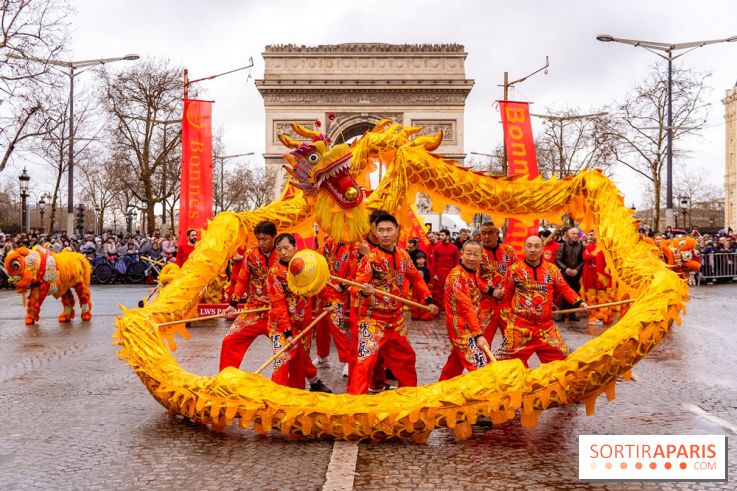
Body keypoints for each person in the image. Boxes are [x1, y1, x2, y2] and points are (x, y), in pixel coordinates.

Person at [347, 213, 439, 394]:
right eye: (381, 230)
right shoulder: (370, 259)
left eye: (389, 230)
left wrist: (428, 299)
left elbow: (416, 278)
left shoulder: (404, 255)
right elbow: (355, 287)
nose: (385, 234)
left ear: (397, 231)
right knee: (365, 361)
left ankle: (408, 397)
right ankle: (356, 403)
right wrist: (364, 290)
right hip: (372, 319)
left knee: (406, 358)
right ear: (375, 232)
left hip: (395, 320)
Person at [496, 236, 588, 367]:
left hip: (546, 328)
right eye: (529, 246)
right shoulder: (514, 270)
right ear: (524, 248)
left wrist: (579, 302)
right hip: (520, 327)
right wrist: (508, 321)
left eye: (536, 246)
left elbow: (564, 288)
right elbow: (507, 297)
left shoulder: (552, 269)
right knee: (506, 366)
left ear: (542, 249)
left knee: (562, 364)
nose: (532, 250)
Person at [267, 233, 332, 392]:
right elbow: (278, 304)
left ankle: (296, 398)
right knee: (281, 361)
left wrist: (328, 302)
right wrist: (287, 332)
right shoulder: (274, 273)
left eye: (286, 248)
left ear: (295, 247)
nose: (283, 252)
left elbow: (318, 283)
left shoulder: (308, 264)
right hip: (280, 326)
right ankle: (277, 398)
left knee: (300, 360)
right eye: (279, 249)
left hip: (303, 323)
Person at [218, 221, 278, 371]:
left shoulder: (283, 254)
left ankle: (312, 377)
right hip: (253, 311)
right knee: (229, 341)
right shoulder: (250, 255)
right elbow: (242, 280)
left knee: (289, 346)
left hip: (277, 313)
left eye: (265, 239)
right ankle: (226, 378)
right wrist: (233, 304)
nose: (262, 242)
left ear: (274, 237)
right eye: (259, 239)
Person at [439, 240, 491, 380]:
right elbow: (466, 308)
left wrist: (490, 290)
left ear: (481, 256)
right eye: (468, 254)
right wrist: (478, 334)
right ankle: (486, 397)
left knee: (453, 367)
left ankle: (441, 391)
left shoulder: (473, 271)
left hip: (470, 326)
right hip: (461, 329)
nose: (472, 258)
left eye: (476, 254)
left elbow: (477, 282)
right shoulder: (457, 277)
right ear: (461, 254)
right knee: (478, 365)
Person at [313, 236, 355, 377]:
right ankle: (322, 356)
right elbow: (317, 259)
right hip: (323, 291)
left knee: (337, 328)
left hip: (338, 295)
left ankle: (348, 361)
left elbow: (355, 272)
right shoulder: (328, 243)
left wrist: (342, 285)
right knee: (321, 326)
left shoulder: (353, 248)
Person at [478, 221, 519, 343]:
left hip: (507, 304)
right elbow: (473, 278)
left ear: (497, 233)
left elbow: (518, 272)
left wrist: (507, 289)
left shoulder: (509, 251)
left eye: (490, 233)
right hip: (485, 305)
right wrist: (491, 291)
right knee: (483, 344)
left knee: (512, 342)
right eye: (483, 233)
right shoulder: (477, 253)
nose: (486, 236)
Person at [555, 227, 584, 321]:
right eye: (573, 234)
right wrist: (565, 269)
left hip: (576, 274)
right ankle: (561, 315)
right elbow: (557, 259)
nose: (576, 236)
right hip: (565, 274)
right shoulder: (563, 246)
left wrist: (577, 270)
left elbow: (582, 260)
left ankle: (572, 314)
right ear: (568, 235)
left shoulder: (581, 246)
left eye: (577, 234)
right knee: (564, 294)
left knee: (575, 294)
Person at [431, 229, 460, 306]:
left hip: (450, 272)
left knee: (450, 291)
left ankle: (450, 308)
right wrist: (434, 274)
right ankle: (438, 309)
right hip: (439, 272)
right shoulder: (436, 247)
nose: (440, 237)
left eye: (442, 235)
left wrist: (456, 275)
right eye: (440, 235)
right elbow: (433, 262)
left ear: (448, 236)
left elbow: (457, 262)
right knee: (438, 292)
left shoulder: (454, 248)